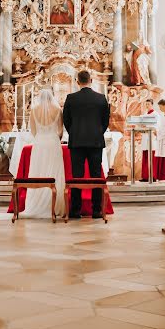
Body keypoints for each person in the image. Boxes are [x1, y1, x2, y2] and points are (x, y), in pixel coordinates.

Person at [63, 70, 110, 218]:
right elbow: (105, 121)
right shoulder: (101, 98)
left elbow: (66, 120)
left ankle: (76, 210)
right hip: (96, 141)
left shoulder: (71, 98)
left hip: (77, 141)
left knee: (77, 175)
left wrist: (74, 133)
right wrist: (97, 132)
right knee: (96, 175)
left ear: (77, 82)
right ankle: (97, 209)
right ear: (91, 81)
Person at [22, 88, 65, 218]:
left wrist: (41, 137)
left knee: (38, 171)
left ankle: (36, 203)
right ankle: (55, 206)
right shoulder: (57, 110)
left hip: (39, 144)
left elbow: (33, 131)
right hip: (53, 143)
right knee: (54, 173)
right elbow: (60, 131)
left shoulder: (34, 110)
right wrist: (53, 137)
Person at [141, 98, 159, 181]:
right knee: (145, 157)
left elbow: (157, 126)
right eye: (146, 104)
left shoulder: (156, 115)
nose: (147, 106)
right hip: (145, 137)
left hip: (151, 137)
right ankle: (145, 176)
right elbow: (141, 124)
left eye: (148, 104)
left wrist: (148, 126)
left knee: (152, 157)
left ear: (152, 104)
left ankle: (153, 176)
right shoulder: (144, 114)